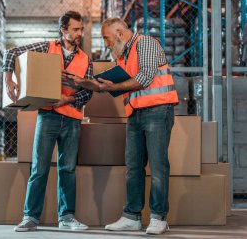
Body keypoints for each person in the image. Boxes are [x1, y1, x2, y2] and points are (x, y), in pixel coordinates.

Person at [65, 17, 178, 235]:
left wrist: (114, 85)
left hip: (157, 110)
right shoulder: (123, 57)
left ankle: (158, 217)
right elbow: (110, 87)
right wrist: (82, 83)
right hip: (135, 114)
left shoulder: (145, 43)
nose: (106, 44)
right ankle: (132, 217)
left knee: (157, 166)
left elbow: (144, 78)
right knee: (133, 166)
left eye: (106, 38)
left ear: (119, 33)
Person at [3, 11, 93, 232]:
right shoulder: (46, 48)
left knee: (68, 169)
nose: (80, 33)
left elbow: (88, 93)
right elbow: (12, 53)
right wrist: (9, 79)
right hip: (48, 116)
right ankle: (30, 217)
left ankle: (67, 217)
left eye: (81, 29)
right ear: (63, 30)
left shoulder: (85, 59)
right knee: (39, 168)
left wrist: (69, 99)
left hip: (72, 119)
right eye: (76, 29)